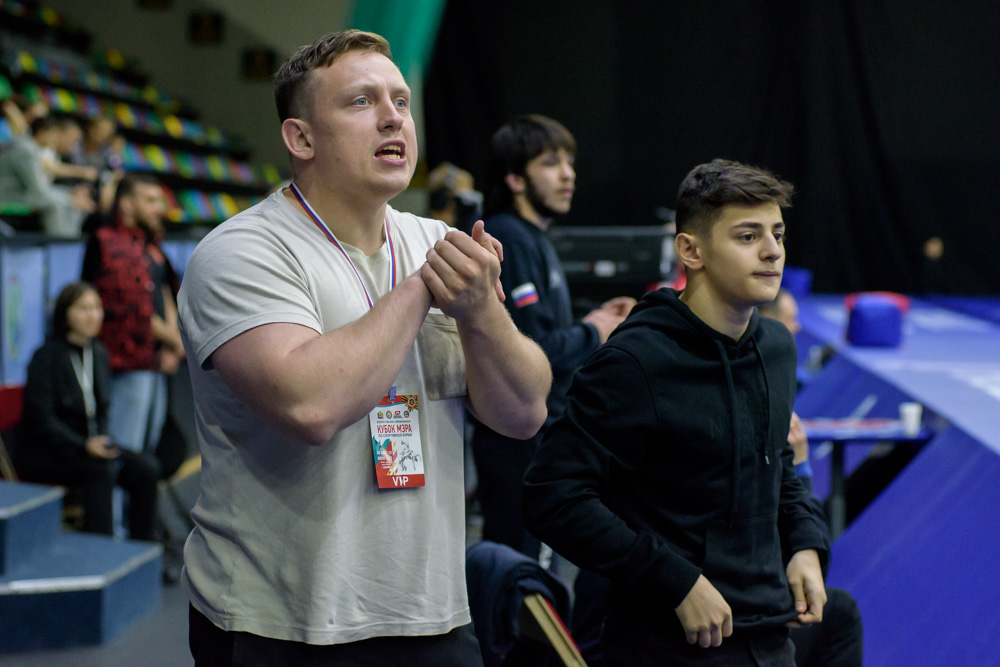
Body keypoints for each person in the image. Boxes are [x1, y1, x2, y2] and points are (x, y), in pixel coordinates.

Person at [177, 30, 550, 665]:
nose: (392, 117)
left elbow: (523, 413)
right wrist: (423, 288)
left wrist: (482, 311)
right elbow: (310, 407)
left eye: (400, 101)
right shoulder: (242, 251)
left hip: (431, 612)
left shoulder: (435, 240)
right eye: (360, 101)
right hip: (280, 624)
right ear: (301, 139)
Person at [523, 158, 830, 665]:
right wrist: (674, 579)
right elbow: (552, 496)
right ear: (691, 250)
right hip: (666, 645)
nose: (773, 250)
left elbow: (774, 463)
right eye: (748, 236)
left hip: (770, 636)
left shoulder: (777, 347)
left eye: (777, 233)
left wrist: (804, 544)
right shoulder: (635, 361)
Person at [471, 114, 635, 559]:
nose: (568, 175)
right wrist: (594, 330)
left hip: (540, 438)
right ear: (515, 178)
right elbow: (532, 347)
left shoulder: (534, 238)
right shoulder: (509, 237)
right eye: (550, 163)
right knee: (522, 574)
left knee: (538, 569)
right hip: (519, 441)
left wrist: (595, 320)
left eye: (570, 162)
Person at [16, 282, 158, 541]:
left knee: (146, 468)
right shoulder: (45, 357)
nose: (92, 315)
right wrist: (83, 445)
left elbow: (102, 408)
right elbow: (42, 420)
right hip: (51, 453)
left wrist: (100, 440)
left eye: (96, 308)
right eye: (83, 308)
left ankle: (142, 549)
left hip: (92, 448)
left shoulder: (98, 352)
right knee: (101, 470)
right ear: (64, 314)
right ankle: (100, 549)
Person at [82, 174, 169, 457]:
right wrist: (178, 342)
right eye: (150, 200)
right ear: (127, 204)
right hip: (124, 364)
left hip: (153, 361)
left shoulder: (148, 243)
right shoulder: (109, 243)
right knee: (124, 454)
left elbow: (164, 291)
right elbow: (138, 310)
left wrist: (171, 345)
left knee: (146, 453)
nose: (159, 208)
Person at [0, 115, 95, 236]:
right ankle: (58, 243)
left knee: (73, 204)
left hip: (22, 193)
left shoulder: (32, 148)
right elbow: (38, 189)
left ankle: (69, 242)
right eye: (53, 134)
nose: (55, 139)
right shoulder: (26, 150)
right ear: (41, 133)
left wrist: (69, 194)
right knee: (58, 204)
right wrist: (70, 198)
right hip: (9, 196)